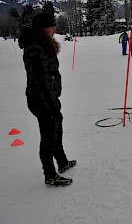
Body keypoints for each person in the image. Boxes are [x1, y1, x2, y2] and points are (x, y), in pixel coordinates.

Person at [18, 13, 76, 187]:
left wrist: (54, 96)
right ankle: (50, 174)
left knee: (57, 126)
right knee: (48, 135)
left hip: (49, 97)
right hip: (41, 99)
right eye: (52, 26)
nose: (55, 29)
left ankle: (62, 162)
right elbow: (41, 79)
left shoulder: (43, 44)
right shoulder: (34, 48)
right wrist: (49, 102)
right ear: (43, 28)